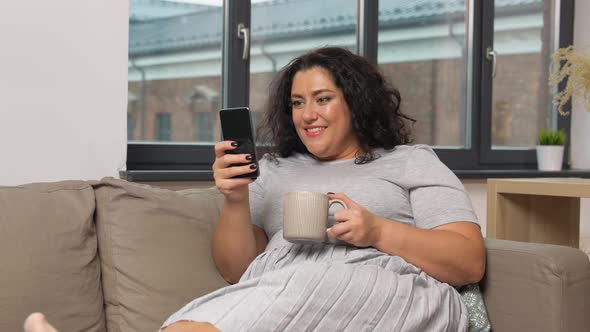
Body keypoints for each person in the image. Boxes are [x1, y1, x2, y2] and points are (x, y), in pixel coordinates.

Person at [24, 47, 485, 332]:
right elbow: (237, 271)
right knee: (205, 314)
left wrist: (377, 231)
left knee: (313, 280)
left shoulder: (410, 161)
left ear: (356, 102)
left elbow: (468, 261)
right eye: (297, 103)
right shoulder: (277, 170)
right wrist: (235, 199)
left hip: (388, 282)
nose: (308, 114)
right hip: (286, 283)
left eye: (323, 99)